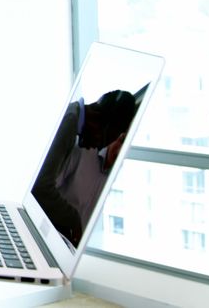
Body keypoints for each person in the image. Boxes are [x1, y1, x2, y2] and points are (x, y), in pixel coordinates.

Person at [32, 89, 138, 248]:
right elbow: (40, 188)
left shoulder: (71, 118)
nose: (95, 147)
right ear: (98, 119)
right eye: (102, 140)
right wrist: (74, 220)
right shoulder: (69, 124)